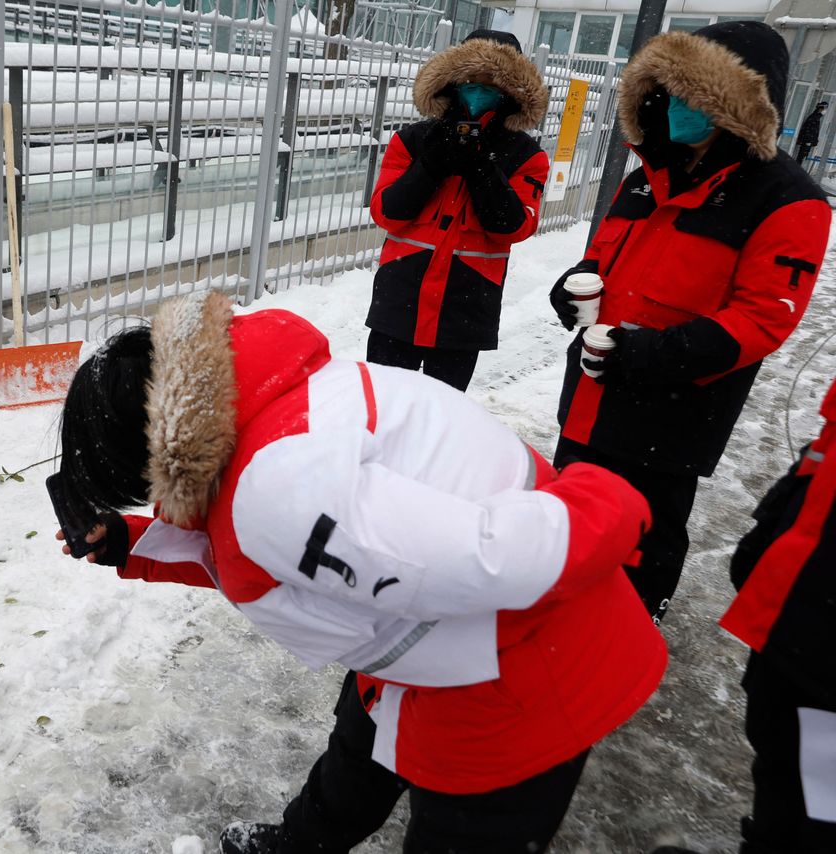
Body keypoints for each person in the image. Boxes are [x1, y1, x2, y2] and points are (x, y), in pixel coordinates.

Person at [54, 290, 666, 853]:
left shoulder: (277, 488)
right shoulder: (257, 409)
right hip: (439, 644)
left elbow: (493, 558)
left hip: (515, 677)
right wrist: (129, 544)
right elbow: (267, 551)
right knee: (360, 750)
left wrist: (606, 498)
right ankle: (304, 844)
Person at [547, 21, 830, 622]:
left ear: (734, 104)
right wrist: (572, 288)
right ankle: (557, 630)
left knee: (645, 534)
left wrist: (654, 355)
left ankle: (629, 636)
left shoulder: (787, 199)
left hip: (673, 410)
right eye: (668, 92)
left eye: (693, 96)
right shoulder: (646, 176)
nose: (675, 108)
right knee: (572, 516)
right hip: (593, 391)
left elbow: (764, 317)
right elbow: (603, 259)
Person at [365, 29, 549, 392]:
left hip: (465, 308)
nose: (478, 91)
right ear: (452, 81)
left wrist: (482, 169)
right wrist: (433, 164)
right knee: (383, 404)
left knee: (444, 414)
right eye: (470, 81)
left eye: (491, 83)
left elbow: (513, 227)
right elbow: (386, 211)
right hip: (401, 296)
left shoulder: (527, 156)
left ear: (510, 90)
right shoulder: (413, 140)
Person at [719, 378, 836, 853]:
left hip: (824, 647)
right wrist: (777, 519)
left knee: (824, 796)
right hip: (795, 613)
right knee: (779, 750)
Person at [795, 100, 827, 167]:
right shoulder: (814, 117)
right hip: (807, 141)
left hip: (808, 141)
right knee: (802, 156)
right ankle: (797, 169)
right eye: (824, 109)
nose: (825, 111)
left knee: (803, 156)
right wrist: (808, 141)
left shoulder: (816, 117)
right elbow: (809, 130)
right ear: (821, 109)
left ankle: (797, 168)